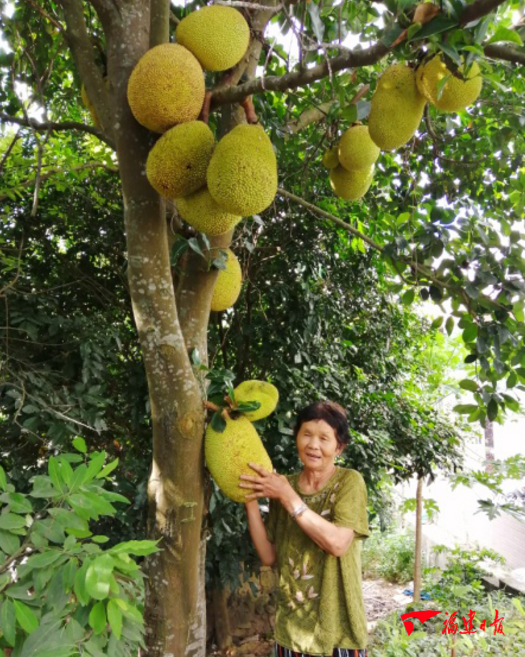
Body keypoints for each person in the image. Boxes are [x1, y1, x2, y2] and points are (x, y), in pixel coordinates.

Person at [240, 400, 370, 657]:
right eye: (307, 434)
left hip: (338, 632)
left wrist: (288, 497)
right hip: (292, 630)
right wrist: (250, 501)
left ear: (339, 447)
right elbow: (269, 555)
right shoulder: (283, 486)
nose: (313, 445)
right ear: (297, 437)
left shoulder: (349, 482)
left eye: (324, 438)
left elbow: (337, 543)